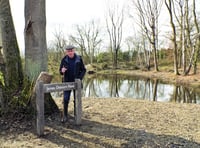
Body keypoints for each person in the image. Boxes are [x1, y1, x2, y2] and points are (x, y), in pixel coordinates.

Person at [59, 45, 86, 122]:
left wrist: (79, 78)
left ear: (74, 50)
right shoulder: (64, 59)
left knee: (76, 99)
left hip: (76, 83)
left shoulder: (79, 58)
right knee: (66, 99)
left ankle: (76, 114)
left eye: (71, 51)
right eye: (68, 51)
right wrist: (62, 71)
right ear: (66, 52)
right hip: (67, 83)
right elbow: (60, 71)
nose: (70, 52)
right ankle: (65, 116)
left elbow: (83, 70)